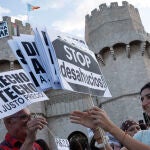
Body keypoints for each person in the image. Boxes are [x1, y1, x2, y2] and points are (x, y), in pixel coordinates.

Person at [70, 82, 150, 150]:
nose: (144, 103)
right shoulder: (141, 136)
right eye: (142, 99)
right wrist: (97, 130)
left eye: (149, 97)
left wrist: (110, 126)